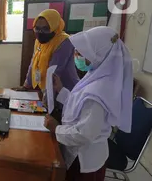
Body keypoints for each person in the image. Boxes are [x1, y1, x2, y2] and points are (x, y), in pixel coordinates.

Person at [44, 26, 133, 181]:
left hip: (83, 160)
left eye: (82, 53)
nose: (77, 56)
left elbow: (83, 134)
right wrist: (62, 90)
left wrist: (56, 128)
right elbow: (80, 105)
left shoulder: (98, 92)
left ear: (98, 55)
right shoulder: (97, 76)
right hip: (82, 153)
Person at [14, 9, 79, 91]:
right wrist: (26, 85)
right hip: (46, 89)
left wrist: (46, 96)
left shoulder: (64, 41)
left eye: (45, 28)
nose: (40, 32)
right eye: (37, 28)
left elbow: (54, 71)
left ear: (54, 27)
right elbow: (33, 63)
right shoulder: (38, 41)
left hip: (65, 89)